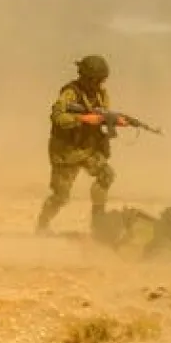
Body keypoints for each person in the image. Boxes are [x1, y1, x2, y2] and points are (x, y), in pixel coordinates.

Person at [35, 55, 139, 236]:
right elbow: (57, 116)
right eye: (97, 79)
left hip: (88, 148)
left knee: (106, 175)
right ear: (88, 77)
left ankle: (98, 222)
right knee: (61, 196)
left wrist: (116, 121)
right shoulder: (70, 93)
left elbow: (102, 117)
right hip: (66, 151)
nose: (100, 83)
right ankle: (42, 225)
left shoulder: (101, 94)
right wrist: (82, 119)